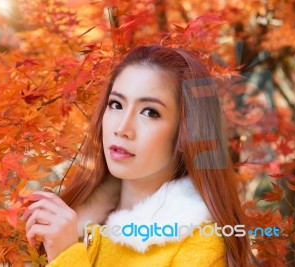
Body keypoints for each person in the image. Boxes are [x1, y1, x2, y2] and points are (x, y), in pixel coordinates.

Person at [21, 45, 251, 266]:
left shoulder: (198, 246)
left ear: (187, 133)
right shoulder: (66, 222)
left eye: (150, 112)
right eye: (116, 104)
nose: (122, 128)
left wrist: (66, 256)